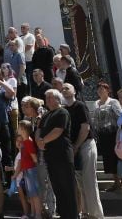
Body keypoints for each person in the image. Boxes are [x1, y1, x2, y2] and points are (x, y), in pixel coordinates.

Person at [62, 83, 104, 219]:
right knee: (80, 182)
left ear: (74, 91)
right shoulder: (64, 109)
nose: (64, 90)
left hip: (85, 144)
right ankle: (86, 212)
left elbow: (85, 128)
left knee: (89, 181)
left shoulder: (79, 106)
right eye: (62, 88)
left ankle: (95, 215)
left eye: (67, 87)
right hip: (74, 147)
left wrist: (76, 146)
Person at [37, 89, 78, 219]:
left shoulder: (62, 112)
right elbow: (39, 128)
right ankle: (64, 215)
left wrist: (43, 141)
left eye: (50, 97)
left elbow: (58, 130)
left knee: (67, 187)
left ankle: (72, 215)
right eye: (46, 97)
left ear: (57, 99)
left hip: (62, 155)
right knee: (58, 188)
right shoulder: (46, 115)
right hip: (50, 156)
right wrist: (39, 141)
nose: (47, 100)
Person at [93, 82, 122, 192]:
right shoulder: (96, 103)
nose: (100, 91)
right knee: (109, 159)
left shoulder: (113, 102)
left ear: (108, 90)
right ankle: (115, 182)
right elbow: (95, 119)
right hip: (103, 135)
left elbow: (119, 116)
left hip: (113, 133)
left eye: (103, 89)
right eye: (99, 89)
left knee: (117, 158)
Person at [15, 119, 42, 219]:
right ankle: (34, 213)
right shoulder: (25, 141)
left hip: (31, 170)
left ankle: (38, 214)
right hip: (27, 170)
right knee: (31, 194)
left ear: (23, 129)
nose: (17, 129)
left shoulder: (28, 142)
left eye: (19, 127)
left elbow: (34, 158)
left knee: (34, 194)